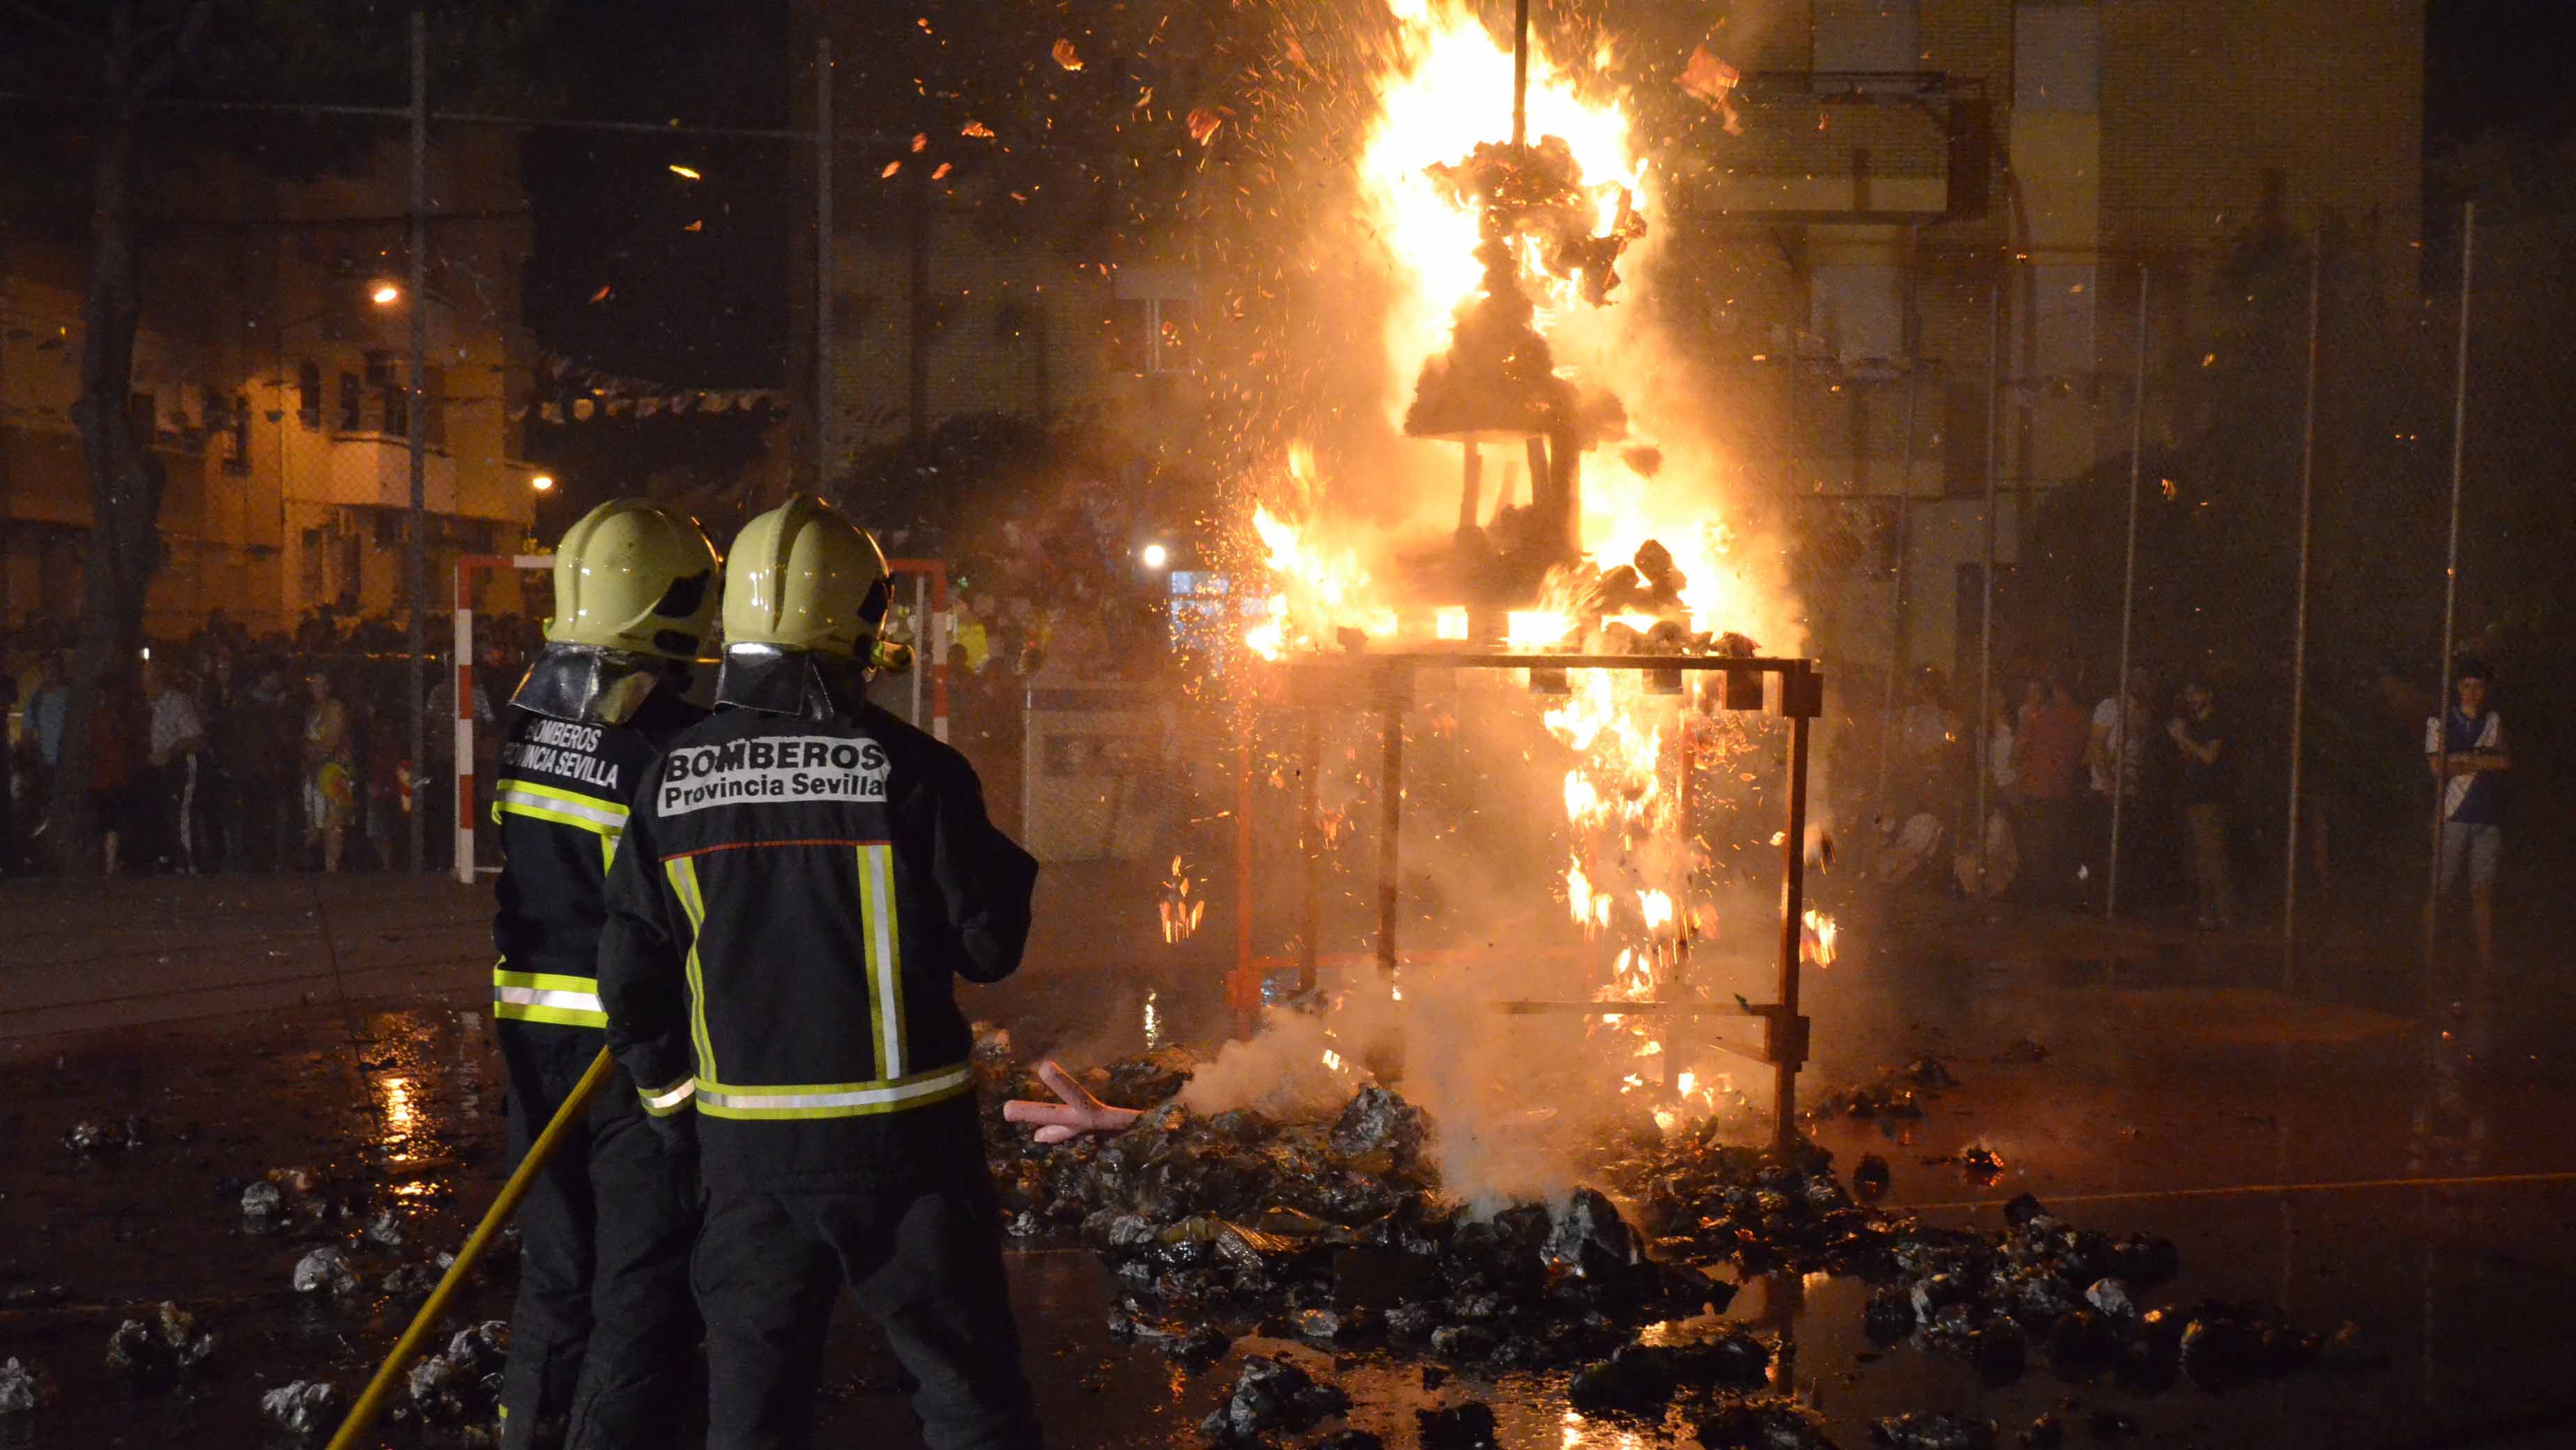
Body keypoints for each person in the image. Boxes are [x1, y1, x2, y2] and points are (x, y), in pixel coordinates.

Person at [597, 495, 1043, 1450]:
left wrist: (680, 1116)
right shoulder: (916, 773)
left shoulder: (671, 784)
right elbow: (990, 948)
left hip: (749, 1165)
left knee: (753, 1413)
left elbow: (631, 986)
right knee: (968, 1397)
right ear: (863, 621)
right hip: (908, 1159)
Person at [489, 500, 720, 1450]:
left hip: (528, 1035)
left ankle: (527, 1433)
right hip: (626, 1049)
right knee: (641, 1282)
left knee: (556, 1270)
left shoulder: (531, 714)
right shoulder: (664, 742)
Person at [2424, 659, 2508, 1054]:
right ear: (2458, 688)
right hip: (2453, 817)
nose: (2472, 692)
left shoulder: (2492, 721)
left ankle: (2486, 963)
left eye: (2479, 686)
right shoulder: (2440, 720)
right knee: (2440, 888)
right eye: (2467, 686)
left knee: (2482, 892)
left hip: (2486, 819)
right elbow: (2435, 767)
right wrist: (2477, 761)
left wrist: (2464, 761)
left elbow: (2502, 761)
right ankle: (2429, 953)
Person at [2013, 676, 2090, 908]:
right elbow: (2085, 755)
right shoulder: (2082, 717)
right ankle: (2057, 897)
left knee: (2036, 845)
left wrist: (2021, 766)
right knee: (2058, 843)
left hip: (2036, 788)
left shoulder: (2036, 716)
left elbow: (2018, 748)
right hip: (2064, 789)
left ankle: (2039, 897)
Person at [2088, 663, 2159, 910]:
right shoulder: (2110, 707)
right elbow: (2096, 745)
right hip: (2109, 786)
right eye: (2137, 679)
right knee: (2107, 844)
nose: (2142, 684)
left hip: (2131, 785)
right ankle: (2100, 900)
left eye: (2145, 679)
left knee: (2126, 845)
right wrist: (2108, 780)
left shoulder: (2144, 711)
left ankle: (2120, 900)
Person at [2168, 679, 2236, 928]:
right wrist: (2180, 738)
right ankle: (2207, 915)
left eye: (2195, 694)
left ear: (2208, 695)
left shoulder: (2215, 724)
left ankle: (2225, 914)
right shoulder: (2196, 726)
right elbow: (2190, 755)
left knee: (2214, 857)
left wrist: (2183, 738)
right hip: (2195, 798)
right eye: (2188, 695)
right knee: (2201, 859)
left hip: (2211, 799)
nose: (2191, 699)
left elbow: (2209, 756)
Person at [142, 657, 208, 873]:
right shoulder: (152, 705)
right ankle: (175, 859)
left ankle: (190, 861)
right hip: (162, 766)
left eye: (147, 681)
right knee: (170, 812)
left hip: (181, 764)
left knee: (183, 813)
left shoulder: (177, 702)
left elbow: (196, 737)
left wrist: (170, 753)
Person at [302, 671, 355, 872]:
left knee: (334, 821)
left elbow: (331, 741)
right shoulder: (312, 711)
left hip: (333, 772)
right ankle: (325, 865)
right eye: (313, 684)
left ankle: (333, 867)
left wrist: (314, 750)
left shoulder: (334, 708)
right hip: (316, 772)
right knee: (317, 820)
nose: (317, 688)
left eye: (322, 684)